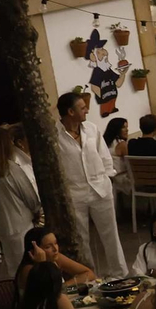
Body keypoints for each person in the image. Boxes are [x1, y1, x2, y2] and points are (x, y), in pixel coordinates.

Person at [56, 91, 128, 277]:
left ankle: (119, 273)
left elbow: (104, 155)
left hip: (100, 188)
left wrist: (108, 177)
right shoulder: (55, 135)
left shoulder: (91, 129)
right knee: (81, 239)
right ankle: (89, 275)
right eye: (82, 108)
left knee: (110, 235)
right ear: (70, 112)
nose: (86, 110)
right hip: (75, 192)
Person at [0, 125, 39, 272]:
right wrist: (37, 212)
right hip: (21, 224)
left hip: (1, 226)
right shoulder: (11, 169)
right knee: (28, 266)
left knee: (14, 268)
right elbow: (30, 197)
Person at [16, 225, 96, 290]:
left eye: (55, 243)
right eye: (48, 247)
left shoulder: (55, 258)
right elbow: (48, 292)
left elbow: (88, 274)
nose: (55, 249)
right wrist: (42, 264)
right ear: (35, 251)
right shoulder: (28, 270)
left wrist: (64, 285)